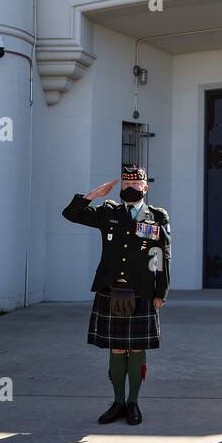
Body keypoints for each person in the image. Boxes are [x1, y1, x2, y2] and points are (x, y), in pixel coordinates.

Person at [61, 165, 171, 426]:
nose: (130, 188)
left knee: (136, 347)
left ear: (145, 187)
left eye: (136, 184)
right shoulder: (108, 212)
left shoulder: (156, 216)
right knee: (117, 347)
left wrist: (161, 292)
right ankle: (117, 402)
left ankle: (133, 403)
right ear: (120, 186)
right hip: (112, 289)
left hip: (142, 291)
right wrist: (93, 195)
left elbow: (162, 255)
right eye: (125, 184)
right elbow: (70, 214)